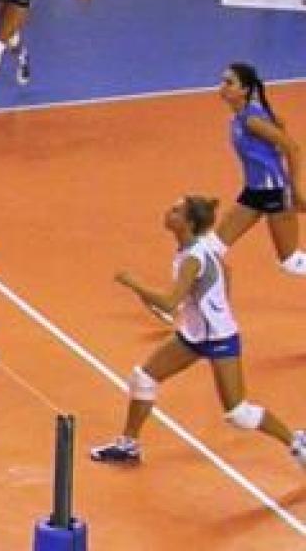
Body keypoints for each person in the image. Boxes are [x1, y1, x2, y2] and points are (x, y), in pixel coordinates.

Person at [90, 195, 306, 467]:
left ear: (188, 223)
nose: (169, 212)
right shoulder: (196, 248)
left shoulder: (192, 258)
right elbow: (225, 273)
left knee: (238, 413)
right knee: (143, 378)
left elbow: (169, 303)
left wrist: (133, 283)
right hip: (193, 336)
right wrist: (212, 304)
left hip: (219, 339)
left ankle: (296, 441)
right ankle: (128, 445)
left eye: (176, 211)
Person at [205, 63, 306, 274]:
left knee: (291, 261)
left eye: (229, 82)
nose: (222, 86)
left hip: (274, 192)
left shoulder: (252, 120)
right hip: (254, 192)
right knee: (212, 247)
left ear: (244, 90)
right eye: (222, 81)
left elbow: (292, 148)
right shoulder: (240, 116)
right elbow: (280, 125)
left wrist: (295, 190)